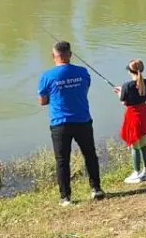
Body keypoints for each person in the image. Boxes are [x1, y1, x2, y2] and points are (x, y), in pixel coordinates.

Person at [38, 41, 104, 205]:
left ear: (54, 57)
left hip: (60, 123)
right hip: (82, 120)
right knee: (90, 155)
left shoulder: (46, 76)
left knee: (62, 160)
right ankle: (96, 189)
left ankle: (65, 197)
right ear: (70, 55)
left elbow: (42, 101)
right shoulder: (83, 72)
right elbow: (85, 89)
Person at [114, 59, 146, 184]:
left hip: (133, 116)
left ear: (129, 71)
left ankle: (137, 173)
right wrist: (123, 90)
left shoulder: (127, 86)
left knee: (134, 146)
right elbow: (141, 95)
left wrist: (120, 92)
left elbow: (124, 102)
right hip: (144, 114)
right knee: (143, 144)